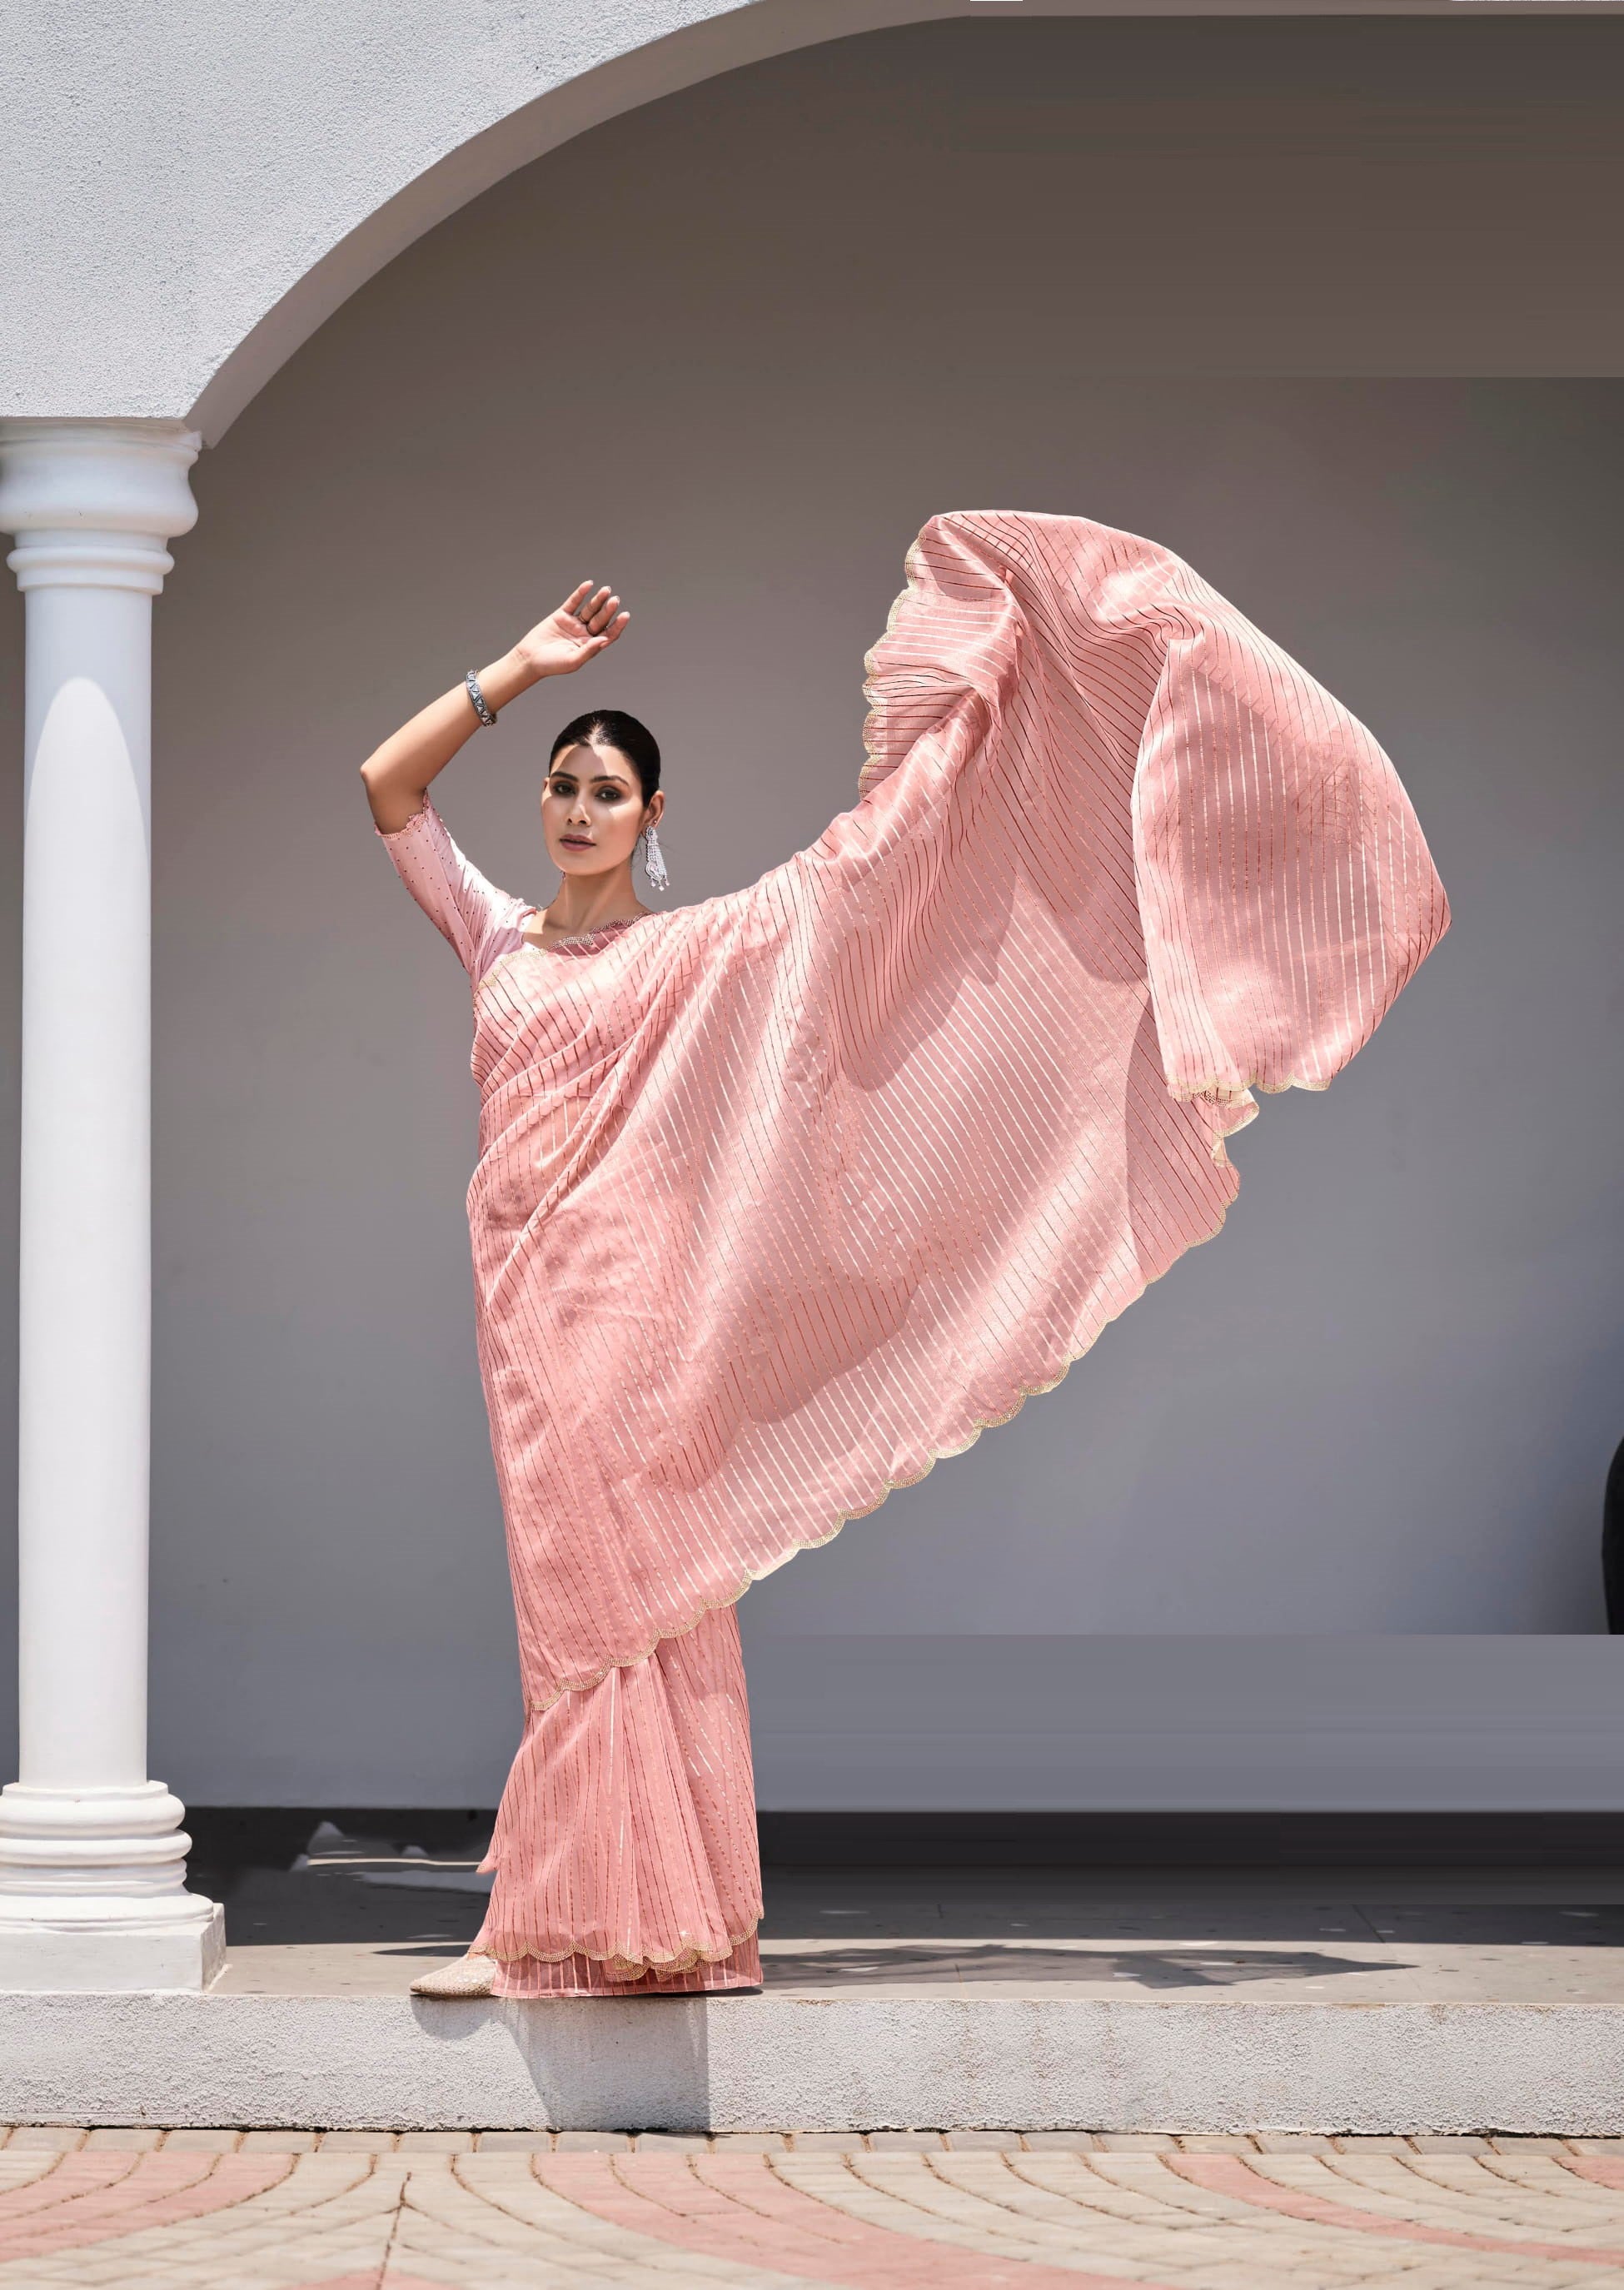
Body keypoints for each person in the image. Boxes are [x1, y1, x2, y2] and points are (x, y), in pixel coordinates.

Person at [361, 510, 1451, 2000]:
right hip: (525, 1317)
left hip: (636, 1316)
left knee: (639, 1592)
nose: (572, 807)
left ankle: (550, 1931)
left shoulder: (697, 949)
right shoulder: (492, 938)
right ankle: (633, 1919)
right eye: (559, 783)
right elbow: (387, 784)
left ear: (649, 814)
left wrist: (963, 752)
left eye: (604, 789)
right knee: (569, 1593)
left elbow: (853, 890)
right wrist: (519, 668)